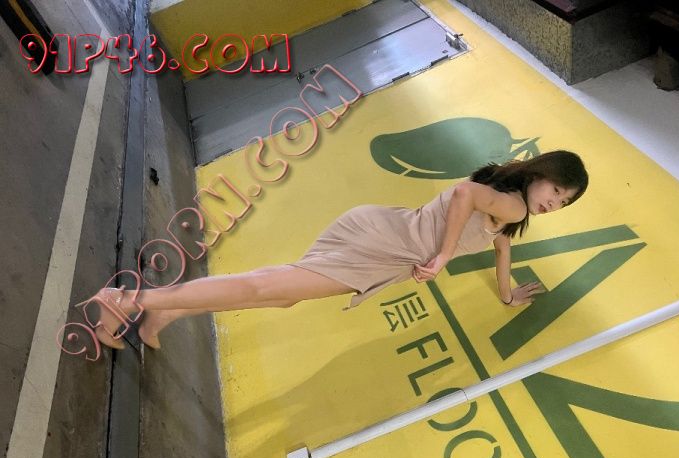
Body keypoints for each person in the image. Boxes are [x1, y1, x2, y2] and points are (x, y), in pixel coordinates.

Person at [81, 150, 588, 350]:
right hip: (379, 246)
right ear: (541, 173)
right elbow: (463, 195)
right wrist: (441, 256)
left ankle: (164, 313)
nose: (554, 203)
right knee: (264, 288)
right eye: (556, 191)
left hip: (378, 235)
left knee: (280, 293)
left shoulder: (509, 205)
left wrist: (506, 292)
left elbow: (500, 247)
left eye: (563, 203)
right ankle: (126, 301)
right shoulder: (510, 202)